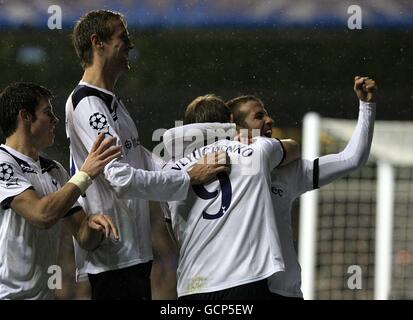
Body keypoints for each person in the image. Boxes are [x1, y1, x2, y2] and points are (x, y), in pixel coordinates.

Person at [164, 76, 377, 299]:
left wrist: (367, 106)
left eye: (266, 114)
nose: (270, 120)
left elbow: (351, 158)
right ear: (234, 126)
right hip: (241, 284)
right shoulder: (213, 169)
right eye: (259, 116)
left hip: (283, 289)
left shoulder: (287, 171)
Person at [65, 10, 228, 300]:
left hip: (132, 251)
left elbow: (138, 156)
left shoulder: (110, 103)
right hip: (113, 255)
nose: (130, 44)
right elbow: (119, 177)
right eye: (122, 37)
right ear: (97, 42)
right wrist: (187, 176)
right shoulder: (87, 103)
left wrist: (187, 167)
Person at [162, 94, 300, 299]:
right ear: (230, 121)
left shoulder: (170, 172)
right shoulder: (252, 151)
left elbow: (172, 233)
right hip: (241, 277)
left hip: (192, 283)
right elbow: (294, 147)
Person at [0, 82, 121, 299]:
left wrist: (93, 226)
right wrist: (85, 174)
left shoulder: (55, 170)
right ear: (25, 117)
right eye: (47, 112)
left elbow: (84, 238)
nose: (55, 120)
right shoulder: (3, 163)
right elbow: (42, 215)